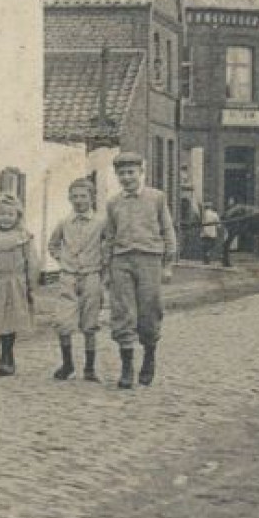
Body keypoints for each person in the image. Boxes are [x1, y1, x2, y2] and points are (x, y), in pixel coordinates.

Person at [102, 152, 178, 389]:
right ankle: (126, 368)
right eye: (121, 173)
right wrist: (107, 268)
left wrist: (168, 264)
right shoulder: (113, 203)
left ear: (140, 172)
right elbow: (109, 237)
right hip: (121, 261)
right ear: (116, 176)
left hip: (150, 261)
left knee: (149, 311)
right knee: (123, 312)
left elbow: (168, 230)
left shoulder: (156, 198)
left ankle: (149, 356)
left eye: (131, 172)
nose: (126, 178)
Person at [47, 177, 108, 382]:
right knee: (63, 322)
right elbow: (53, 245)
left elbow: (109, 245)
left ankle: (89, 368)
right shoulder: (64, 223)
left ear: (92, 198)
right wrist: (62, 259)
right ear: (69, 198)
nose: (79, 200)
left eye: (83, 196)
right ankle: (67, 364)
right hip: (68, 277)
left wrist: (103, 268)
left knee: (90, 324)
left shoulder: (101, 222)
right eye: (74, 196)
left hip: (91, 276)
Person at [0, 193, 41, 376]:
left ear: (17, 216)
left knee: (12, 318)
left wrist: (31, 284)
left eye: (10, 214)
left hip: (16, 283)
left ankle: (7, 354)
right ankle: (3, 351)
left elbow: (33, 262)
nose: (5, 218)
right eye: (2, 214)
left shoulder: (23, 237)